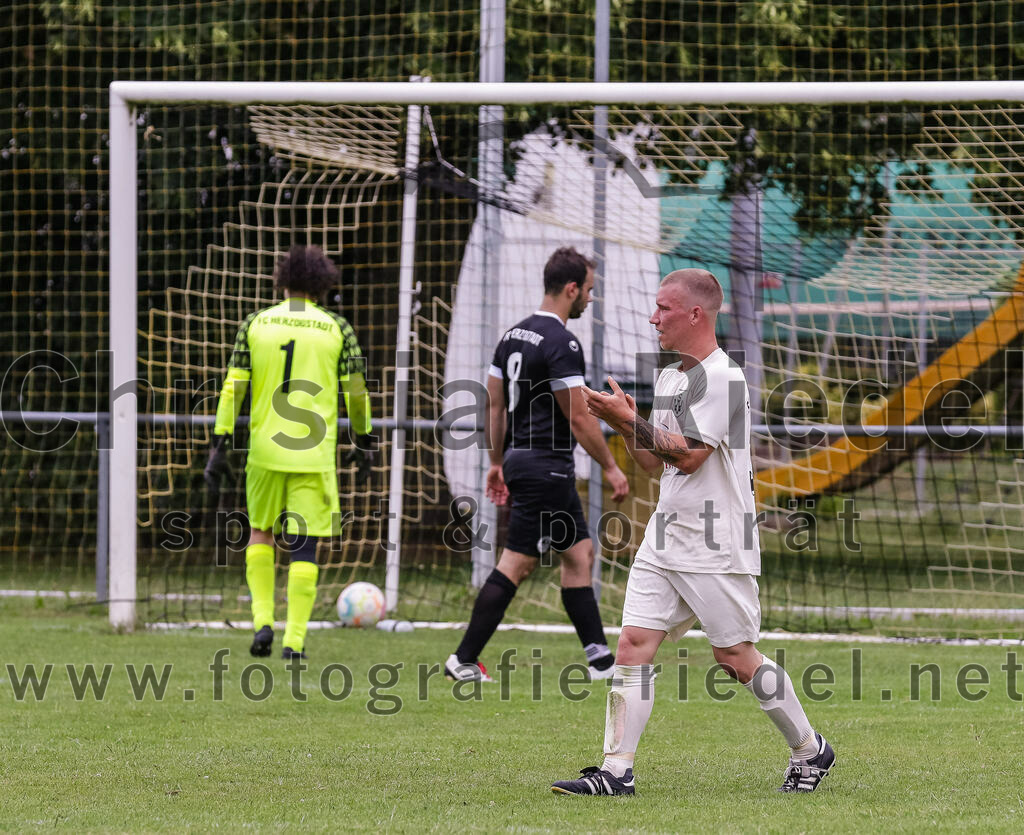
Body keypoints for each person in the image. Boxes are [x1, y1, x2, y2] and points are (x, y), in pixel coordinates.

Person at [551, 268, 834, 796]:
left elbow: (690, 452)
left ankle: (810, 749)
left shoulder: (724, 378)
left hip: (716, 540)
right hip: (668, 532)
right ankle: (616, 771)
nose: (653, 317)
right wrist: (622, 420)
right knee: (634, 643)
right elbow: (658, 459)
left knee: (734, 658)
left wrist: (629, 421)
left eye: (664, 308)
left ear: (695, 314)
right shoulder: (671, 375)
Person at [444, 247, 630, 683]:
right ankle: (463, 659)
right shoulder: (563, 342)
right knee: (518, 563)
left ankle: (600, 659)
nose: (589, 298)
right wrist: (611, 466)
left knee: (577, 552)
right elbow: (579, 416)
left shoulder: (512, 335)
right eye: (588, 290)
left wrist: (496, 462)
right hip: (547, 465)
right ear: (571, 289)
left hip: (523, 461)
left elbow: (493, 403)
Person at [204, 244, 376, 660]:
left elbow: (233, 387)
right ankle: (294, 641)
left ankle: (263, 621)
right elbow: (356, 391)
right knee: (304, 545)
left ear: (282, 281)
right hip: (312, 455)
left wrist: (219, 441)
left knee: (259, 532)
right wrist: (363, 439)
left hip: (264, 451)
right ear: (323, 285)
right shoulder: (337, 329)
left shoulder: (256, 323)